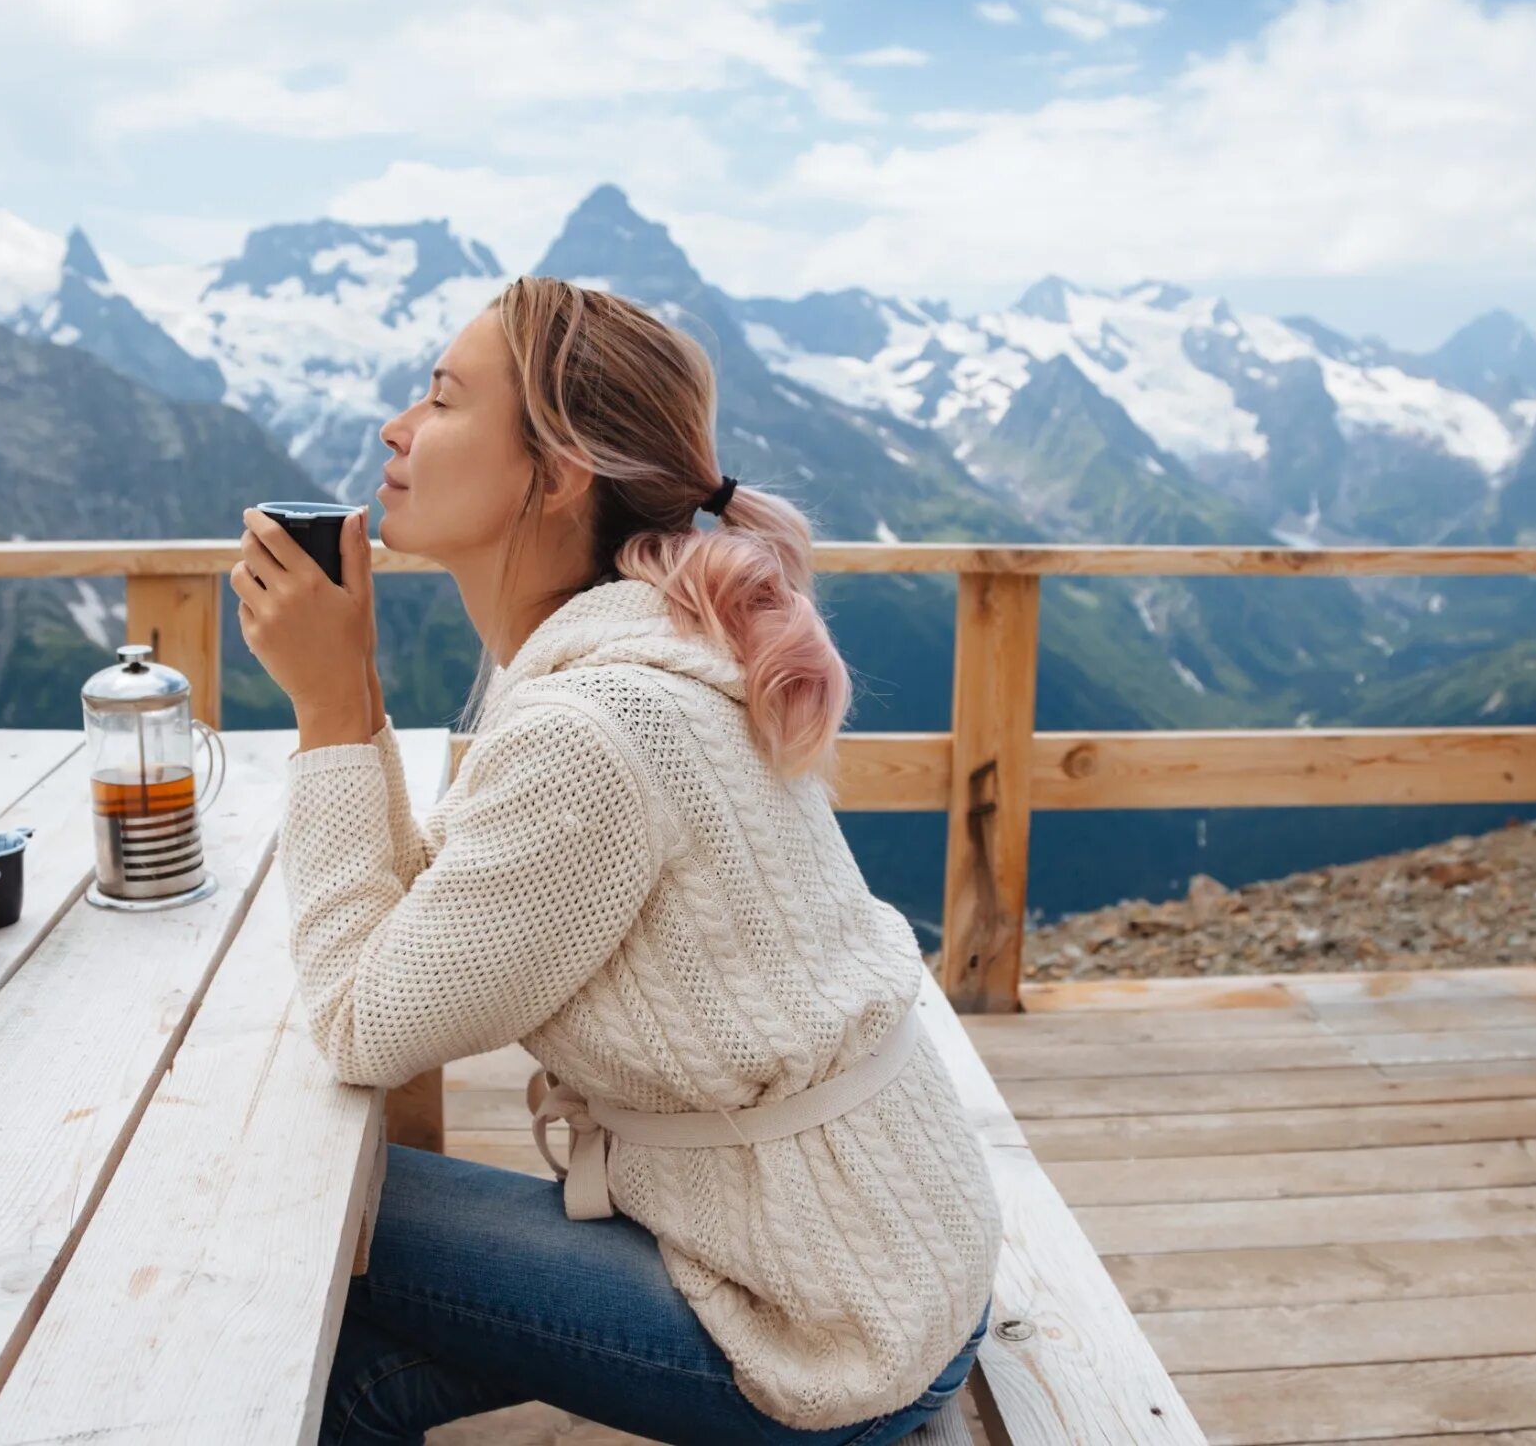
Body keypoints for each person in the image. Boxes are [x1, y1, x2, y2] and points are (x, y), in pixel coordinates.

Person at [233, 276, 1002, 1445]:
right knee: (338, 1373)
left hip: (823, 1323)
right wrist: (353, 697)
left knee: (281, 1191)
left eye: (442, 400)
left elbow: (358, 1020)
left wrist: (332, 709)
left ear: (558, 471)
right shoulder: (643, 653)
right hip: (884, 1248)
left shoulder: (593, 732)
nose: (394, 429)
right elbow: (435, 898)